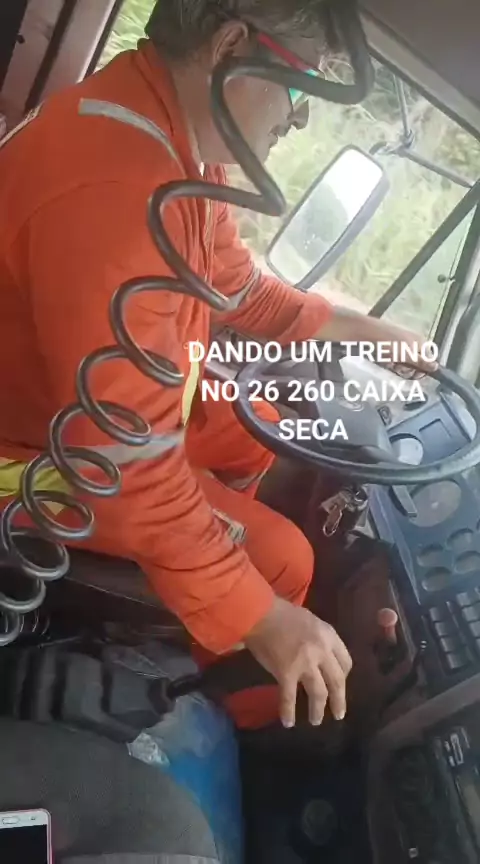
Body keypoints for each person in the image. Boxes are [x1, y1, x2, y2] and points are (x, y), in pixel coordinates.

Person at [0, 0, 434, 732]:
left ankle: (204, 601)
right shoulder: (115, 194)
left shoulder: (164, 135)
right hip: (32, 454)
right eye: (301, 85)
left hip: (79, 407)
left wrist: (365, 331)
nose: (301, 117)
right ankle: (234, 722)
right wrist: (264, 615)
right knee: (283, 562)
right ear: (231, 44)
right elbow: (129, 465)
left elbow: (232, 286)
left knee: (251, 430)